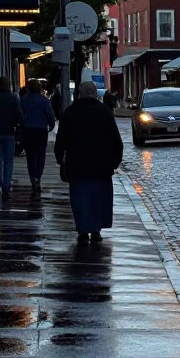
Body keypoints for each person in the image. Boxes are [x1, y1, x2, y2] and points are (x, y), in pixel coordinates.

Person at [54, 79, 123, 244]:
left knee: (80, 199)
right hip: (101, 167)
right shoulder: (104, 112)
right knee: (98, 200)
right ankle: (96, 230)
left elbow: (61, 139)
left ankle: (83, 229)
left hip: (77, 165)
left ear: (80, 93)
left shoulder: (70, 113)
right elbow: (116, 142)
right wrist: (114, 162)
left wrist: (60, 158)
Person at [20, 80, 56, 193]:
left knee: (30, 155)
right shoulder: (44, 101)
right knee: (40, 155)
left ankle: (32, 177)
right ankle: (37, 176)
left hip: (28, 130)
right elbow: (50, 115)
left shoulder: (24, 100)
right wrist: (51, 125)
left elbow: (20, 114)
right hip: (41, 130)